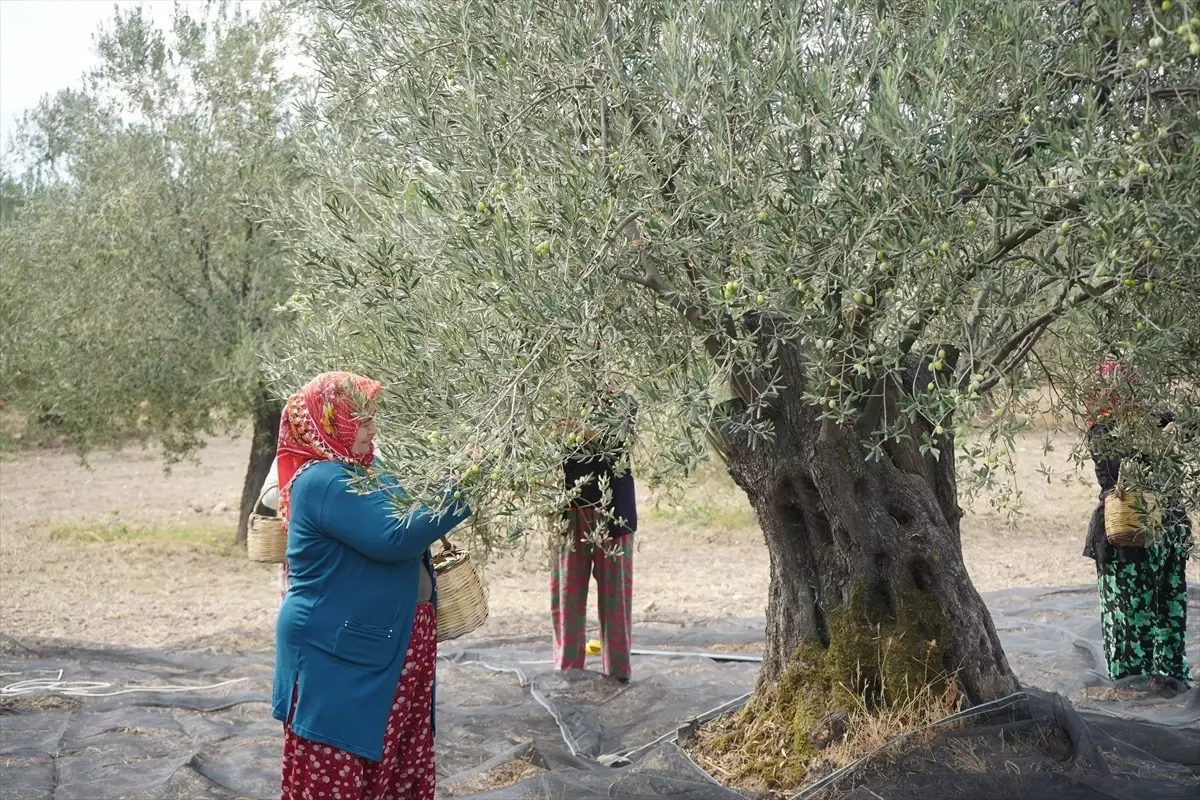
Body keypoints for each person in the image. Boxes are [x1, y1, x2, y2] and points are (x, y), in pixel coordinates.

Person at [272, 371, 470, 800]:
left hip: (384, 642)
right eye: (360, 421)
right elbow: (394, 536)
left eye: (371, 419)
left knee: (391, 758)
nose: (371, 429)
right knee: (343, 763)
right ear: (331, 423)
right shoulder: (323, 480)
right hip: (336, 654)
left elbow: (409, 507)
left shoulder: (364, 470)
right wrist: (463, 489)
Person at [1083, 359, 1193, 688]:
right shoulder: (1103, 431)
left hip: (1168, 530)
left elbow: (1188, 424)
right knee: (1128, 614)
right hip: (1127, 536)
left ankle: (1169, 677)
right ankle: (1132, 684)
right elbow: (1121, 476)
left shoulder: (1153, 420)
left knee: (1168, 606)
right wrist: (1161, 443)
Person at [552, 391, 638, 682]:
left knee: (615, 600)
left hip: (614, 513)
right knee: (568, 600)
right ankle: (567, 673)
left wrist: (575, 428)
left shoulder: (624, 403)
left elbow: (613, 435)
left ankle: (618, 673)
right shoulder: (557, 394)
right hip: (568, 513)